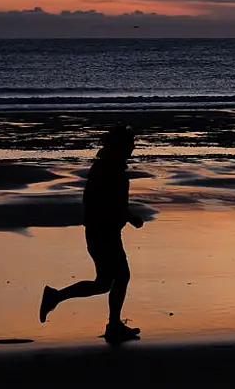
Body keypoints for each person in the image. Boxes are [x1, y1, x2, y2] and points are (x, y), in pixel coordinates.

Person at [39, 125, 145, 339]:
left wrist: (122, 217)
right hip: (103, 233)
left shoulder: (106, 168)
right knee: (120, 277)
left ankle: (56, 297)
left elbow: (101, 201)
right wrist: (130, 217)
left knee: (105, 282)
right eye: (130, 145)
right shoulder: (109, 170)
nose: (133, 149)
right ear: (120, 147)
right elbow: (108, 203)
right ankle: (112, 324)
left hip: (103, 232)